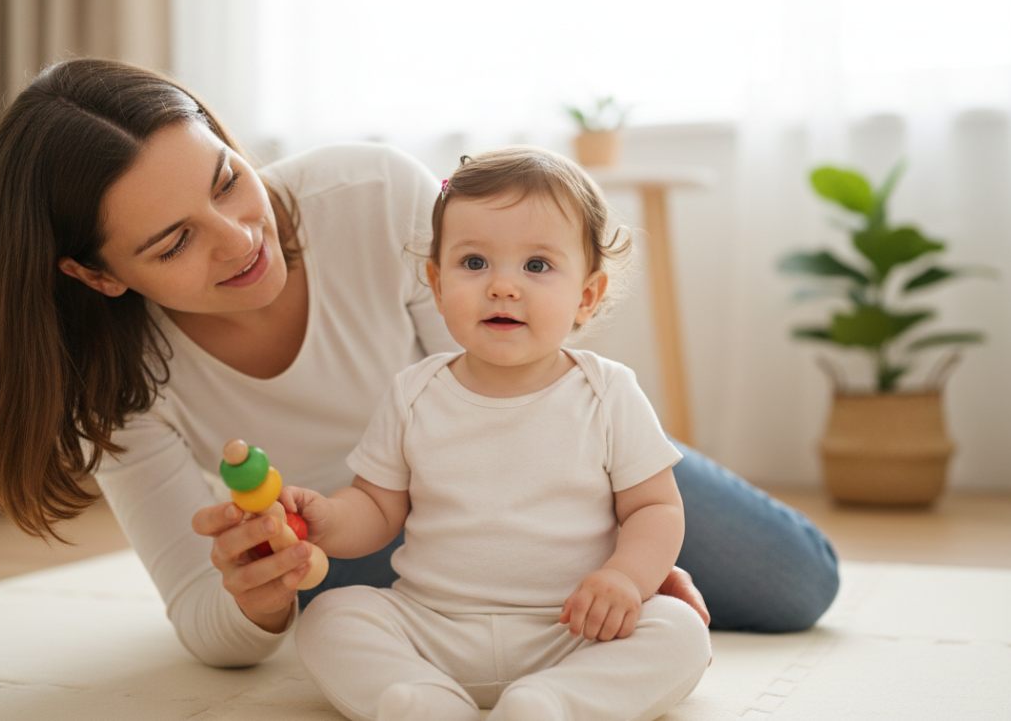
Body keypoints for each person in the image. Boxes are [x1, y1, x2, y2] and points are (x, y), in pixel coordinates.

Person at [0, 58, 839, 671]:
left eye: (227, 180)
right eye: (174, 240)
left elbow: (511, 384)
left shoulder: (373, 193)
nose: (240, 239)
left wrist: (602, 540)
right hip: (352, 543)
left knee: (797, 581)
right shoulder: (114, 382)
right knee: (337, 615)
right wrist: (262, 591)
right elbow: (205, 620)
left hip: (534, 463)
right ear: (98, 273)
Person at [284, 147, 711, 721]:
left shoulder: (607, 392)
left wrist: (624, 579)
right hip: (432, 627)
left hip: (572, 630)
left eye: (537, 266)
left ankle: (554, 703)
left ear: (586, 296)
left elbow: (656, 508)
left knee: (679, 628)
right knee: (331, 616)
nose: (503, 287)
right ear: (436, 285)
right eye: (475, 263)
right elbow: (376, 508)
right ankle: (422, 701)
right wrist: (327, 520)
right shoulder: (414, 392)